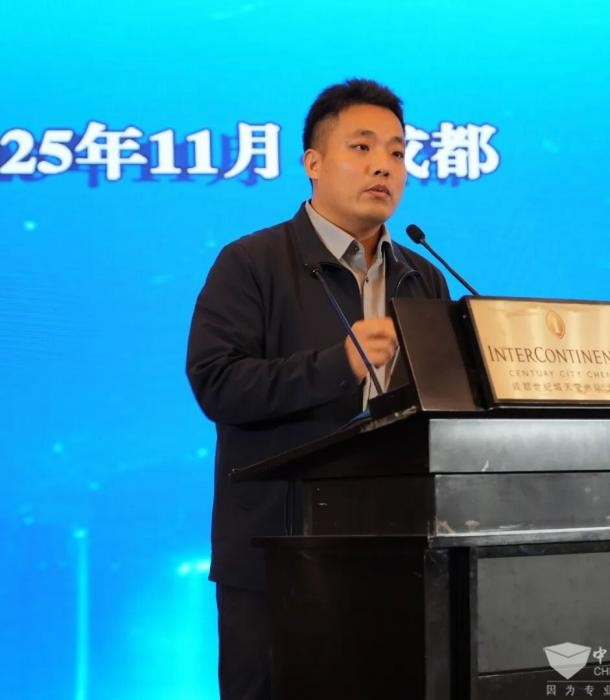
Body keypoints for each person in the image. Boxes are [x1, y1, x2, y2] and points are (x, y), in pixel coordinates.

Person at [186, 78, 450, 700]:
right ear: (312, 162)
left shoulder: (422, 276)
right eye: (362, 147)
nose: (384, 165)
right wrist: (339, 364)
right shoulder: (252, 263)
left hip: (400, 557)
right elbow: (217, 383)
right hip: (277, 561)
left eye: (397, 152)